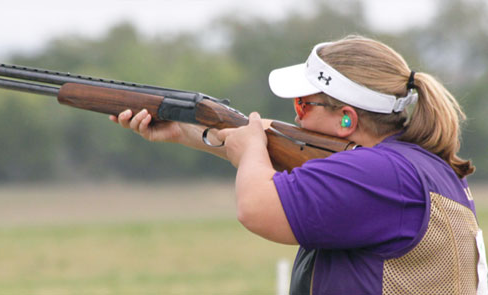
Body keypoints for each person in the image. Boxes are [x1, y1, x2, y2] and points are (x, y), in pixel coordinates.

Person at [110, 35, 487, 294]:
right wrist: (183, 130)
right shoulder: (413, 166)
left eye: (304, 105)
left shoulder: (380, 173)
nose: (298, 118)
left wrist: (253, 143)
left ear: (347, 120)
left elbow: (257, 206)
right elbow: (276, 162)